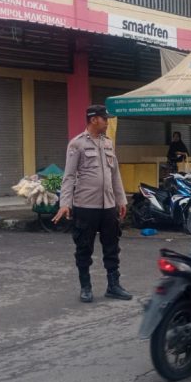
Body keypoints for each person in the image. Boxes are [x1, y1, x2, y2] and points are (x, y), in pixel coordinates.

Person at [53, 105, 132, 303]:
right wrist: (65, 203)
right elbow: (69, 176)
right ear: (94, 119)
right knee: (84, 247)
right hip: (85, 205)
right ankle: (86, 287)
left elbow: (115, 174)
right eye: (105, 119)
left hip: (108, 206)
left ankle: (113, 286)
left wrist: (121, 199)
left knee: (112, 247)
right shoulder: (77, 144)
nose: (107, 122)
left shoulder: (108, 143)